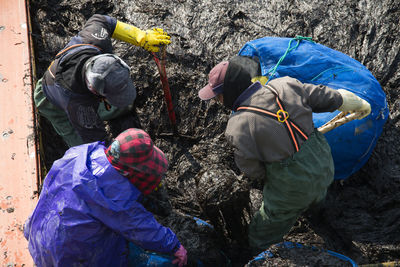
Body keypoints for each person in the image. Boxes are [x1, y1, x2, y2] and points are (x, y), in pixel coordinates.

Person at [198, 56, 371, 254]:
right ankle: (316, 211)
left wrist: (273, 176)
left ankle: (256, 252)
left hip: (291, 187)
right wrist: (350, 102)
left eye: (218, 95)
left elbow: (251, 169)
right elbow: (324, 97)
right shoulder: (284, 85)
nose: (218, 101)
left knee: (264, 228)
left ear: (229, 91)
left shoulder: (237, 127)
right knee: (317, 193)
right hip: (322, 162)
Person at [24, 128, 187, 267]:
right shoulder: (112, 197)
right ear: (128, 171)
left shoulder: (80, 154)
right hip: (69, 258)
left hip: (38, 238)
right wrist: (174, 246)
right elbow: (138, 226)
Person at [34, 14, 171, 147]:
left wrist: (140, 36)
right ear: (96, 92)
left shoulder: (95, 40)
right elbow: (97, 142)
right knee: (87, 152)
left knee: (124, 105)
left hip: (83, 93)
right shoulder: (80, 107)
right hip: (53, 104)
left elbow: (103, 20)